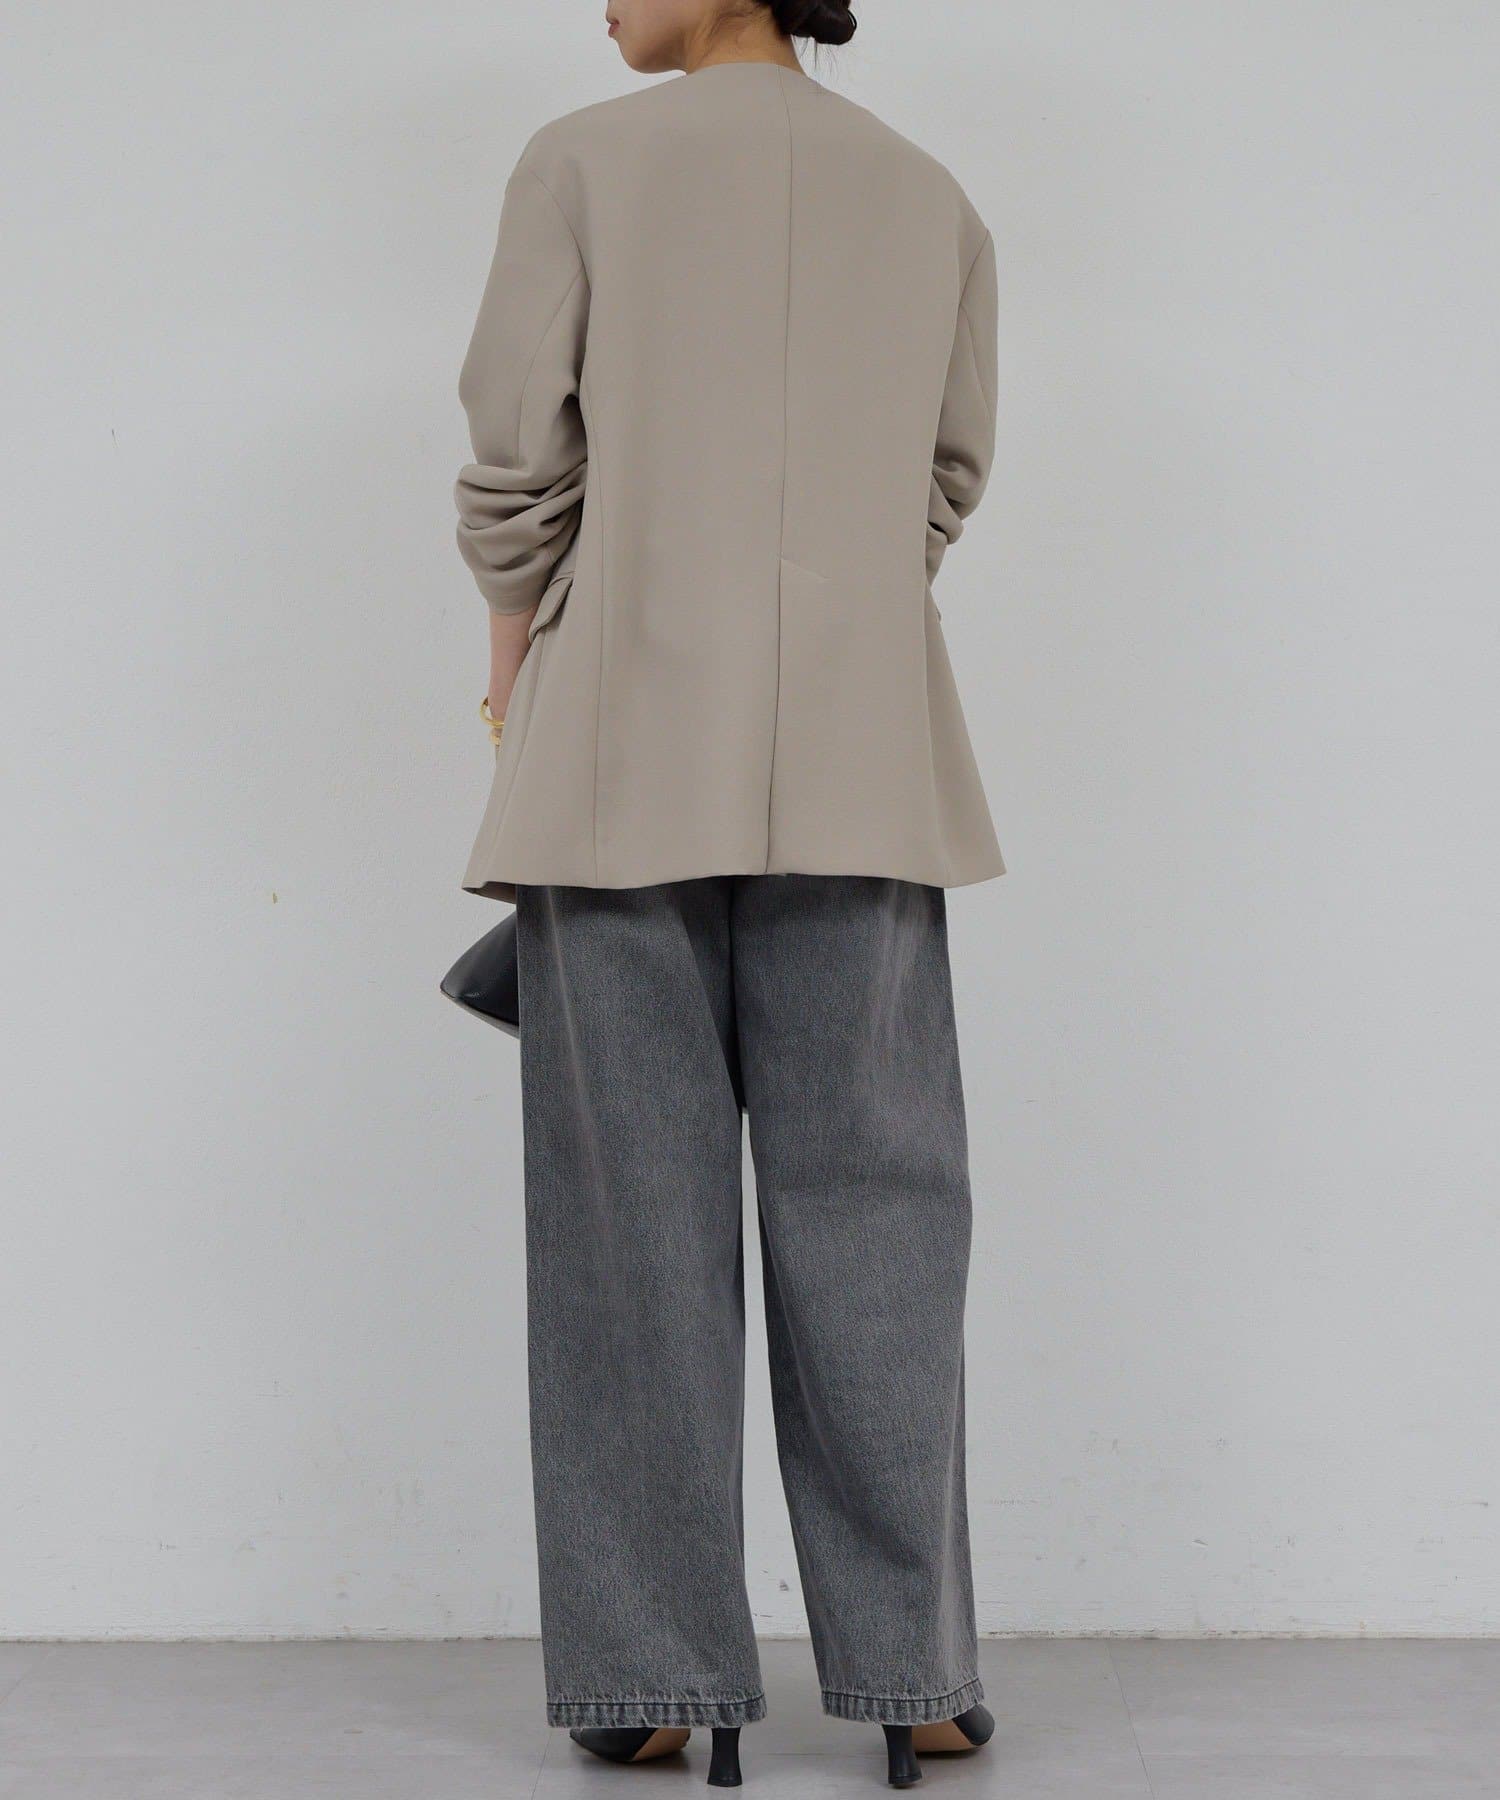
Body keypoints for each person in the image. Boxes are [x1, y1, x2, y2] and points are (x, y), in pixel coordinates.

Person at [452, 0, 1002, 1787]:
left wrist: (513, 656)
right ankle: (915, 1681)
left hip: (620, 755)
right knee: (883, 1213)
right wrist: (842, 598)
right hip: (866, 759)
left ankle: (655, 1680)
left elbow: (520, 454)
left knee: (630, 1235)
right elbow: (944, 478)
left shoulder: (582, 164)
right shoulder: (927, 194)